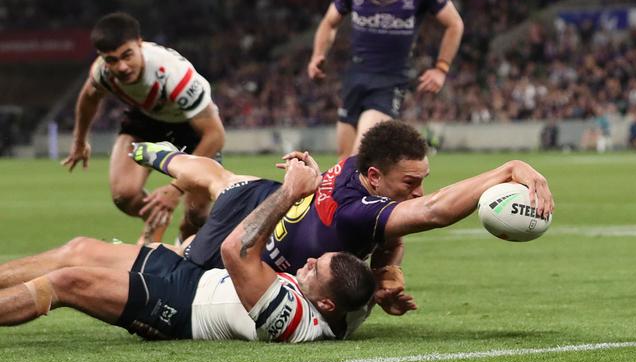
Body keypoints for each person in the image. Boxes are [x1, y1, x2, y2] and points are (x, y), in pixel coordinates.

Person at [130, 120, 553, 316]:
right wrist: (508, 168)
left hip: (272, 201)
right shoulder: (357, 214)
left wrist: (388, 275)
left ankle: (150, 152)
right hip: (254, 241)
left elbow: (393, 230)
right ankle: (153, 229)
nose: (418, 191)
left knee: (218, 178)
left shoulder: (356, 164)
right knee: (180, 257)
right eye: (410, 182)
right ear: (375, 175)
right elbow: (433, 211)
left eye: (424, 180)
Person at [0, 156, 375, 343]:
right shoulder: (352, 300)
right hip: (196, 275)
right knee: (77, 247)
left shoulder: (293, 318)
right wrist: (390, 276)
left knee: (67, 282)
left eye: (315, 270)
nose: (307, 262)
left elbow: (236, 250)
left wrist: (292, 191)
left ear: (324, 305)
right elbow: (379, 243)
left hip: (182, 306)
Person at [61, 12, 226, 244]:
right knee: (124, 196)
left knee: (197, 215)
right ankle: (157, 219)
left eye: (127, 55)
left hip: (191, 127)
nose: (122, 66)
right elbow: (89, 97)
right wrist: (79, 142)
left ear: (140, 44)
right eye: (112, 60)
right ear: (102, 57)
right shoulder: (103, 71)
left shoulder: (174, 75)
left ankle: (181, 251)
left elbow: (215, 135)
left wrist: (175, 189)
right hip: (146, 118)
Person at [307, 0, 464, 159]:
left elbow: (455, 23)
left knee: (360, 153)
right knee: (343, 160)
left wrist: (442, 67)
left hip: (389, 81)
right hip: (355, 77)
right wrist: (317, 56)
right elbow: (329, 23)